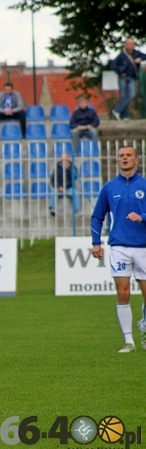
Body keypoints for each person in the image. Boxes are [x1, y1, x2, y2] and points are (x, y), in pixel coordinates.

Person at [91, 146, 146, 353]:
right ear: (117, 162)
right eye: (121, 156)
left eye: (128, 155)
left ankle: (145, 325)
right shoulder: (109, 188)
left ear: (136, 160)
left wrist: (142, 217)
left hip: (143, 246)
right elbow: (97, 216)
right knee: (123, 293)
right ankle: (129, 341)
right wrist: (96, 242)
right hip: (119, 247)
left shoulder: (144, 185)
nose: (124, 158)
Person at [110, 38, 146, 121]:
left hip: (132, 77)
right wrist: (119, 71)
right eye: (129, 44)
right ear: (125, 45)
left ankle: (117, 110)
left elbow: (145, 56)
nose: (131, 46)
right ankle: (125, 115)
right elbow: (113, 64)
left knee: (131, 94)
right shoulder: (122, 55)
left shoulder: (137, 53)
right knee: (122, 96)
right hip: (123, 77)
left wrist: (140, 59)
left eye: (132, 44)